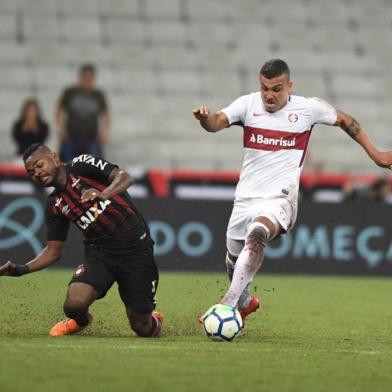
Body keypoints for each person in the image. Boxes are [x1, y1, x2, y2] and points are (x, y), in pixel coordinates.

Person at [193, 59, 392, 323]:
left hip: (280, 199)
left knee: (258, 234)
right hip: (245, 199)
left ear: (289, 86)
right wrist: (205, 120)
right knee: (232, 259)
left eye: (276, 89)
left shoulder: (308, 109)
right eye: (264, 88)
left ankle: (226, 304)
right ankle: (244, 302)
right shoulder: (248, 104)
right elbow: (217, 122)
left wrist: (376, 154)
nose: (269, 95)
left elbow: (347, 121)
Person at [0, 143, 162, 337]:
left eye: (39, 165)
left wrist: (103, 194)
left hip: (135, 249)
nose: (37, 173)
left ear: (54, 157)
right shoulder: (54, 204)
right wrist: (21, 269)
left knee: (142, 328)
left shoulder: (82, 165)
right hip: (100, 254)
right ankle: (81, 322)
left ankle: (152, 317)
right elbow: (53, 252)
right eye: (31, 172)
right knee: (73, 305)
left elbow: (125, 177)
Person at [56, 63, 110, 162]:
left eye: (89, 78)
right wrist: (61, 129)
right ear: (80, 77)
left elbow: (106, 115)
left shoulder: (98, 94)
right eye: (85, 77)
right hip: (71, 135)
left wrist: (104, 133)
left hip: (91, 136)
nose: (87, 80)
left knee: (94, 164)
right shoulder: (70, 92)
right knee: (68, 164)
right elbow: (59, 110)